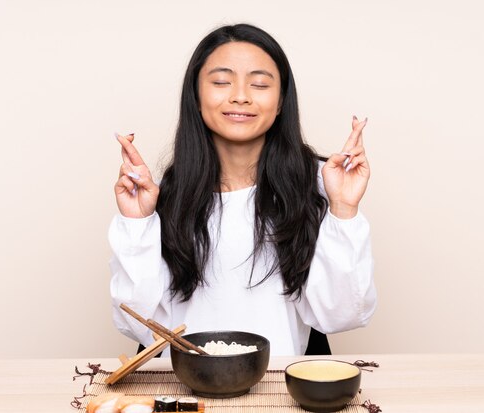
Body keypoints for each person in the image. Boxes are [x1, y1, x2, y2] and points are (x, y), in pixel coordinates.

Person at [109, 23, 376, 356]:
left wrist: (344, 210)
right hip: (184, 391)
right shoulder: (161, 197)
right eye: (221, 81)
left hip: (283, 391)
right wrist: (137, 224)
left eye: (260, 83)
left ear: (281, 101)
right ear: (195, 95)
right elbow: (138, 324)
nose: (240, 95)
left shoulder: (320, 186)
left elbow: (341, 315)